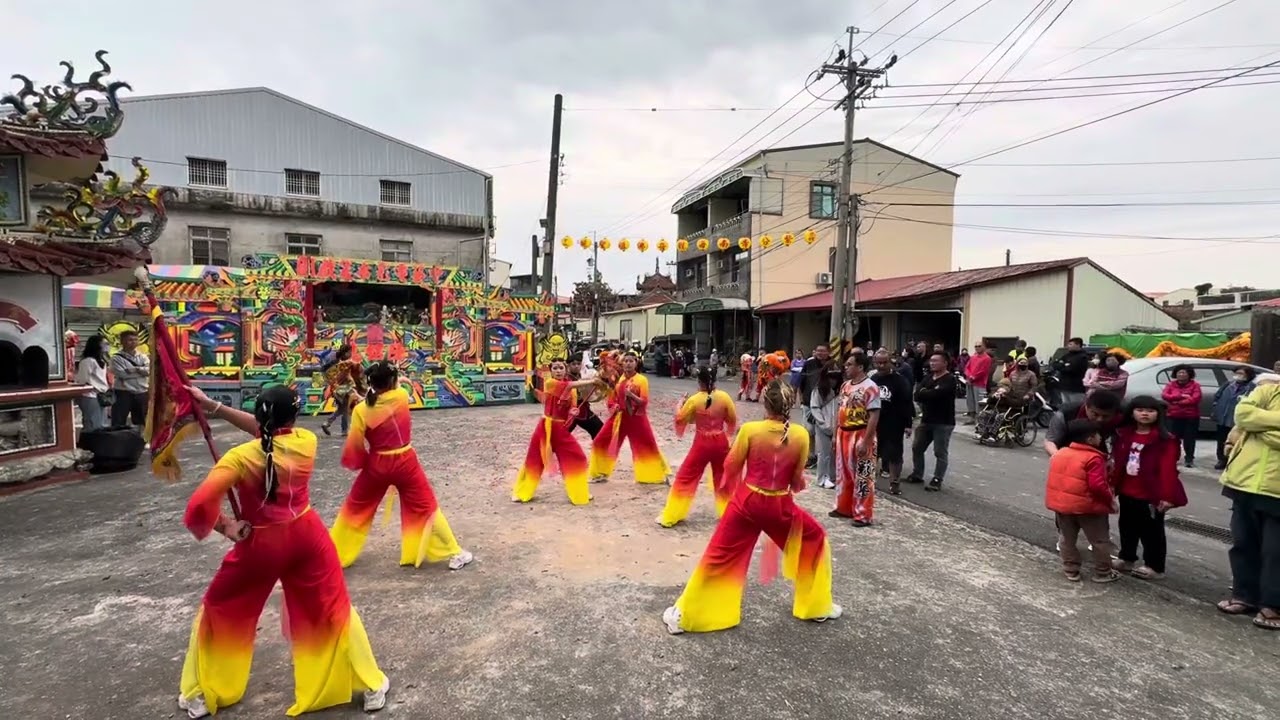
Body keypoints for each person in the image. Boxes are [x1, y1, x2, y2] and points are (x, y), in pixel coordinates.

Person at [177, 385, 389, 718]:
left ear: (261, 419)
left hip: (261, 544)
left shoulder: (240, 458)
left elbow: (198, 507)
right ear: (294, 417)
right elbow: (267, 434)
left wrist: (227, 526)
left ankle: (207, 692)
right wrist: (213, 406)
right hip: (308, 537)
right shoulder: (307, 442)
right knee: (333, 608)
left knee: (223, 610)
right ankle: (370, 683)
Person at [661, 379, 842, 634]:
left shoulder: (750, 430)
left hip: (746, 503)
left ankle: (685, 616)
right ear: (791, 404)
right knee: (815, 540)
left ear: (764, 403)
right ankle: (816, 606)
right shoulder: (800, 434)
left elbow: (731, 467)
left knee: (719, 556)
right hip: (779, 505)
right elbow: (796, 480)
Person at [330, 361, 473, 570]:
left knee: (354, 508)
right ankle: (455, 551)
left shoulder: (361, 410)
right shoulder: (402, 397)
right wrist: (400, 380)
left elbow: (356, 445)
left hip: (377, 464)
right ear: (393, 382)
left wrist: (362, 462)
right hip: (406, 462)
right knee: (428, 507)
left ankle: (332, 555)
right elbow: (396, 389)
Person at [1216, 373, 1280, 630]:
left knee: (1276, 551)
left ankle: (1273, 603)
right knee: (1243, 543)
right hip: (1243, 481)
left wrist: (1260, 428)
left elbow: (1251, 423)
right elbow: (1242, 416)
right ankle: (1245, 595)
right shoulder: (1268, 390)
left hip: (1276, 490)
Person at [1111, 395, 1187, 581]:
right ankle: (1126, 558)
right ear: (1132, 412)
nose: (1145, 414)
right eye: (1140, 410)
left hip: (1151, 494)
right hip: (1127, 490)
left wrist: (1167, 496)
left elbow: (1168, 470)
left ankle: (1155, 566)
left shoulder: (1166, 439)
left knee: (1152, 532)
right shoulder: (1124, 433)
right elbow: (1117, 462)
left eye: (1150, 410)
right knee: (1127, 526)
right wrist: (1112, 486)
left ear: (1158, 414)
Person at [659, 366, 738, 527]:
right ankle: (729, 514)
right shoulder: (724, 397)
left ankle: (673, 514)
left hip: (701, 443)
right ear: (714, 380)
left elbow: (681, 418)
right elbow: (732, 419)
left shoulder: (694, 400)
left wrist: (680, 402)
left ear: (699, 381)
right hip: (721, 442)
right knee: (723, 478)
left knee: (686, 478)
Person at [1045, 419, 1121, 583]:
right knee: (1099, 541)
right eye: (1098, 435)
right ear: (1090, 438)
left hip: (1063, 507)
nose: (1101, 438)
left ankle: (1071, 570)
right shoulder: (1094, 458)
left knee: (1067, 539)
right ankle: (1103, 572)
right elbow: (1098, 486)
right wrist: (1110, 501)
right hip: (1088, 508)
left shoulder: (1060, 453)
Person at [515, 359, 600, 505]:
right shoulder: (551, 383)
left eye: (561, 368)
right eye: (555, 368)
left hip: (560, 430)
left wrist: (572, 413)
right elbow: (568, 386)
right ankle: (521, 492)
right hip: (546, 427)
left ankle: (580, 493)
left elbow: (569, 409)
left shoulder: (572, 391)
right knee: (535, 459)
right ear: (551, 371)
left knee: (577, 458)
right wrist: (593, 381)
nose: (558, 371)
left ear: (565, 369)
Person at [589, 351, 671, 484]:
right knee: (601, 441)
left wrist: (631, 395)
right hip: (619, 417)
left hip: (637, 419)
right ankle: (600, 473)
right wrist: (613, 405)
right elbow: (612, 397)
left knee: (647, 445)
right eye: (625, 361)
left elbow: (644, 401)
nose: (628, 364)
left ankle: (658, 475)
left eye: (631, 361)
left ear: (636, 363)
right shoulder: (619, 379)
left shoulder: (641, 380)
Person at [830, 352, 881, 525]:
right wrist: (835, 434)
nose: (846, 367)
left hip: (861, 433)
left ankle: (863, 514)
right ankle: (844, 507)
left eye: (849, 364)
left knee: (863, 475)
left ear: (860, 367)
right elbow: (840, 410)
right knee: (843, 473)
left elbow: (874, 415)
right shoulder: (845, 385)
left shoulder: (870, 387)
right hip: (843, 433)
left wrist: (866, 441)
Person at [908, 352, 957, 492]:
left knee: (940, 452)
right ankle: (917, 473)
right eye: (931, 361)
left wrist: (927, 392)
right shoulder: (928, 377)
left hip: (943, 422)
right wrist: (927, 392)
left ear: (945, 363)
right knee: (917, 447)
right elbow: (917, 395)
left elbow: (938, 395)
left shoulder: (949, 379)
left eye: (936, 361)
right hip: (926, 420)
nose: (932, 363)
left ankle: (937, 479)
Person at [872, 350, 914, 496]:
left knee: (895, 455)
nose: (881, 365)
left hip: (895, 423)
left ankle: (894, 483)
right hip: (875, 423)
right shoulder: (872, 380)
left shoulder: (900, 380)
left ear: (891, 361)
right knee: (873, 453)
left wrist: (908, 424)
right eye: (878, 362)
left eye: (884, 362)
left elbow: (907, 403)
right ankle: (869, 480)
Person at [1044, 390, 1124, 457]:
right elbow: (1050, 441)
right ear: (1086, 407)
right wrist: (1060, 458)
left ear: (1115, 414)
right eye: (1095, 414)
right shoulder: (1066, 414)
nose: (1100, 419)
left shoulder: (1123, 418)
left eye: (1106, 416)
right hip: (1070, 456)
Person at [1212, 367, 1257, 470]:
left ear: (1248, 375)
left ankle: (1232, 460)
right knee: (1221, 440)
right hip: (1223, 417)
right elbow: (1217, 396)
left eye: (1241, 373)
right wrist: (1216, 408)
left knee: (1235, 441)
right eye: (1237, 373)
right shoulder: (1228, 384)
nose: (1238, 375)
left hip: (1237, 420)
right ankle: (1222, 459)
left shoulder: (1251, 388)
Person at [1161, 364, 1203, 467]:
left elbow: (1195, 399)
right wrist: (1180, 396)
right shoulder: (1170, 385)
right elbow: (1165, 395)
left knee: (1189, 439)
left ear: (1189, 374)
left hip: (1190, 417)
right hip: (1173, 416)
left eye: (1184, 372)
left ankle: (1189, 459)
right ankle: (1173, 457)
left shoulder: (1195, 385)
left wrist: (1176, 402)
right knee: (1173, 438)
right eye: (1179, 372)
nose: (1181, 374)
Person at [320, 344, 366, 437]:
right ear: (345, 353)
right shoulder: (345, 364)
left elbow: (327, 373)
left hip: (336, 390)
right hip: (344, 390)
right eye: (349, 352)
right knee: (344, 409)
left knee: (342, 409)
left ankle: (327, 423)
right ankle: (344, 430)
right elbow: (349, 376)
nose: (350, 354)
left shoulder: (336, 363)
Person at [809, 362, 842, 491]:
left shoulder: (841, 390)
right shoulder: (818, 390)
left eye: (836, 377)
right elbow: (815, 408)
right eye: (830, 377)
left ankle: (833, 477)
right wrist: (823, 424)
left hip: (838, 427)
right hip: (823, 427)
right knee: (824, 454)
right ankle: (822, 478)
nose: (833, 380)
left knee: (835, 454)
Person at [109, 329, 150, 429]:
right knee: (119, 419)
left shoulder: (143, 357)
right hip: (123, 392)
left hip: (141, 392)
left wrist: (134, 369)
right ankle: (118, 441)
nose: (133, 342)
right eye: (130, 340)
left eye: (136, 340)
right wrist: (141, 372)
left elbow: (149, 371)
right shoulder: (116, 358)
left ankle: (141, 440)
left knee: (142, 419)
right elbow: (122, 374)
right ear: (122, 341)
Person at [798, 344, 831, 468]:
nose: (820, 353)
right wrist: (801, 398)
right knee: (809, 430)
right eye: (818, 351)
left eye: (823, 351)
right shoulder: (809, 364)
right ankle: (811, 456)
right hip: (808, 402)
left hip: (827, 404)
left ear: (829, 352)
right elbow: (802, 382)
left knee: (826, 430)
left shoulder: (833, 365)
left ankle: (824, 456)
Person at [73, 334, 111, 433]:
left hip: (101, 395)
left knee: (101, 422)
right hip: (90, 395)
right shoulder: (88, 361)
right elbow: (82, 379)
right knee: (92, 422)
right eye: (105, 344)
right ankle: (89, 443)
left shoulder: (102, 360)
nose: (107, 346)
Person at [567, 355, 604, 439]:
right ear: (568, 365)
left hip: (582, 409)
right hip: (569, 411)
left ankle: (598, 451)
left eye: (578, 364)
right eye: (573, 364)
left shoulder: (582, 375)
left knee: (599, 430)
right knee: (560, 436)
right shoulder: (566, 378)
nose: (576, 366)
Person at [1053, 338, 1090, 405]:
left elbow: (1072, 369)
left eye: (1070, 344)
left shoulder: (1082, 357)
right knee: (1065, 405)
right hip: (1064, 386)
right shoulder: (1067, 355)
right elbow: (1055, 364)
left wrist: (1063, 366)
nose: (1068, 346)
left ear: (1078, 345)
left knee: (1075, 406)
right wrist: (1064, 365)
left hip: (1076, 388)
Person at [963, 342, 993, 421]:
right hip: (970, 382)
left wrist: (973, 378)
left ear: (984, 347)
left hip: (980, 383)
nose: (977, 348)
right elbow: (967, 367)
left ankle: (979, 419)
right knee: (970, 400)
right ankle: (971, 417)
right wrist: (969, 377)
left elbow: (983, 371)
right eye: (975, 346)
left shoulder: (987, 358)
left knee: (979, 401)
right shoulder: (973, 357)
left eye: (979, 346)